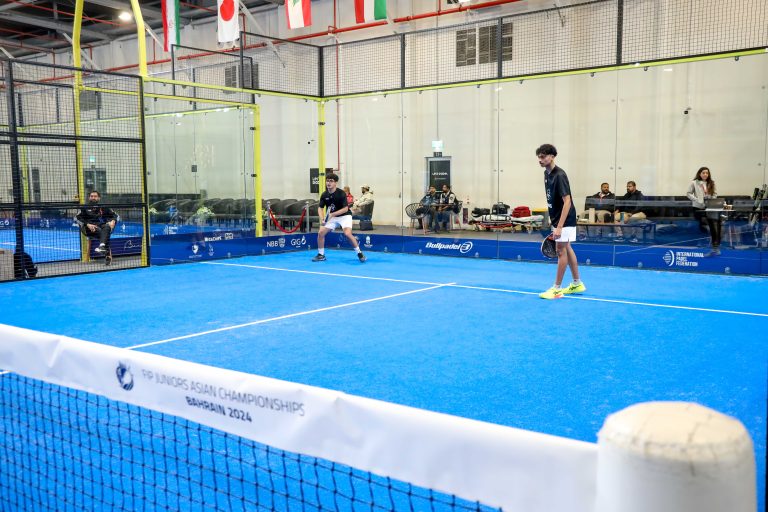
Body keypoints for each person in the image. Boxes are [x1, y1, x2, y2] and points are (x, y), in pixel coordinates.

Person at [536, 144, 586, 300]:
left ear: (552, 157)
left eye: (543, 156)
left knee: (560, 251)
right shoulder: (546, 173)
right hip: (557, 219)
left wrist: (559, 227)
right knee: (567, 247)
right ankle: (577, 283)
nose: (540, 160)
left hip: (564, 220)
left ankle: (556, 289)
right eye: (538, 157)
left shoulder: (560, 175)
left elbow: (567, 201)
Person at [312, 173, 366, 262]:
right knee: (321, 233)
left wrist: (332, 214)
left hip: (345, 216)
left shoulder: (341, 193)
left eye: (331, 181)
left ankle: (359, 253)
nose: (328, 183)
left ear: (335, 183)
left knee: (347, 234)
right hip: (333, 217)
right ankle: (321, 255)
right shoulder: (324, 195)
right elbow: (320, 208)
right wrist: (322, 218)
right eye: (327, 181)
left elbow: (345, 209)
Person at [686, 166, 722, 255]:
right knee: (708, 222)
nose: (705, 174)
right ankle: (705, 243)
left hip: (709, 207)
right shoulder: (694, 183)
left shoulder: (711, 183)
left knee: (717, 222)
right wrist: (697, 199)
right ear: (700, 173)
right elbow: (688, 193)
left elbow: (715, 194)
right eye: (703, 173)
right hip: (698, 208)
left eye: (707, 173)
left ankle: (715, 246)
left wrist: (711, 198)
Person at [76, 190, 117, 259]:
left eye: (95, 196)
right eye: (91, 196)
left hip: (100, 226)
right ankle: (106, 252)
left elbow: (115, 215)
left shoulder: (103, 207)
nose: (93, 198)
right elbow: (77, 218)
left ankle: (102, 246)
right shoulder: (84, 207)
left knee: (107, 227)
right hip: (88, 229)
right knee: (104, 233)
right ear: (89, 198)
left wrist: (113, 221)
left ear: (99, 198)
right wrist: (87, 224)